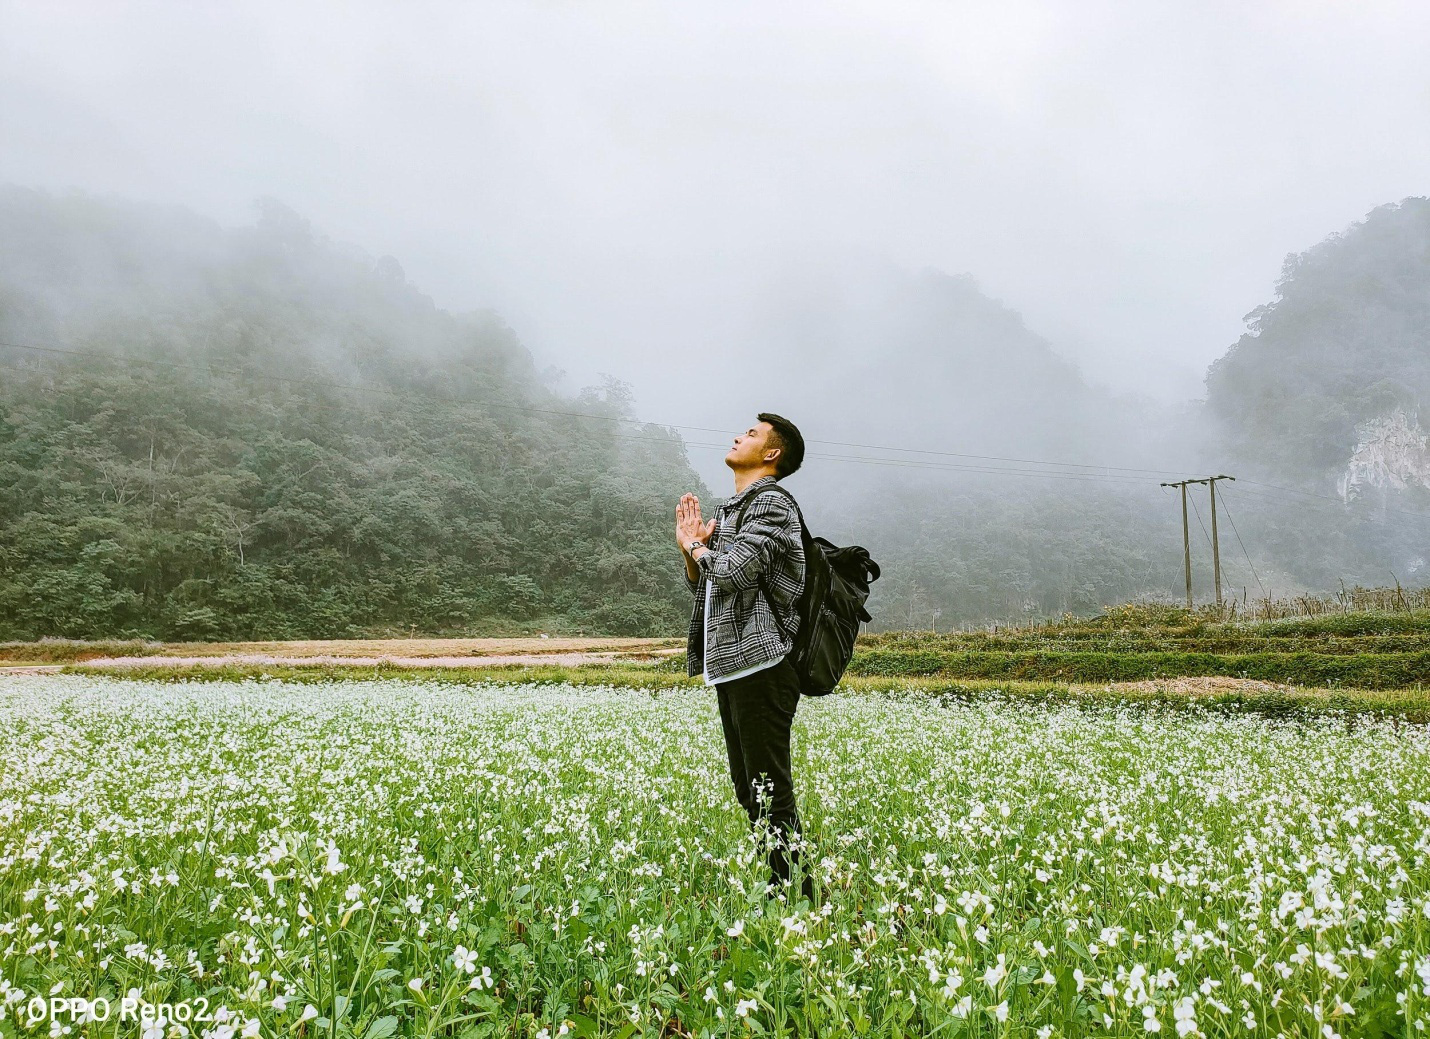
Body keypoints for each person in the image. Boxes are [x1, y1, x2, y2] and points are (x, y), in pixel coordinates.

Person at [675, 413, 813, 901]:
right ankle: (783, 885)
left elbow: (731, 573)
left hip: (765, 665)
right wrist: (696, 552)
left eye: (751, 434)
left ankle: (796, 897)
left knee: (767, 785)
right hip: (735, 664)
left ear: (771, 454)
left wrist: (694, 543)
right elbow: (706, 582)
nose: (738, 436)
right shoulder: (736, 510)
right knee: (748, 786)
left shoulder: (772, 505)